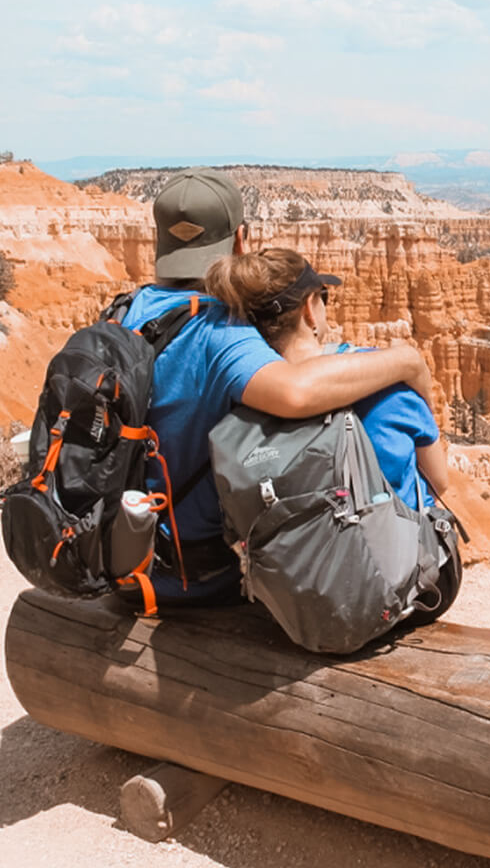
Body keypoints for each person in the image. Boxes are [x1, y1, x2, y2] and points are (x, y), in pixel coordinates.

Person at [121, 168, 435, 604]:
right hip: (195, 576)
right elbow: (295, 393)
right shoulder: (217, 329)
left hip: (127, 555)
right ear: (239, 242)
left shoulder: (128, 310)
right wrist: (407, 362)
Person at [203, 247, 449, 510]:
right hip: (392, 544)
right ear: (308, 309)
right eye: (324, 297)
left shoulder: (238, 395)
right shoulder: (392, 384)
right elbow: (438, 481)